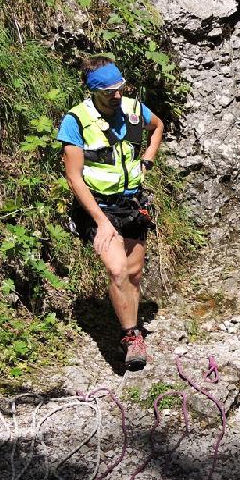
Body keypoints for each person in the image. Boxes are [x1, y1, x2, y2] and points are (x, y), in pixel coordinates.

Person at [58, 56, 164, 370]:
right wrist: (101, 222)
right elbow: (74, 177)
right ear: (93, 91)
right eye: (109, 92)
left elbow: (158, 126)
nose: (117, 95)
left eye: (120, 88)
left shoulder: (133, 109)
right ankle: (131, 337)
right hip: (98, 207)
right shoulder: (76, 121)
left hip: (132, 204)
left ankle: (131, 324)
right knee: (117, 271)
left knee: (134, 273)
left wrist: (147, 159)